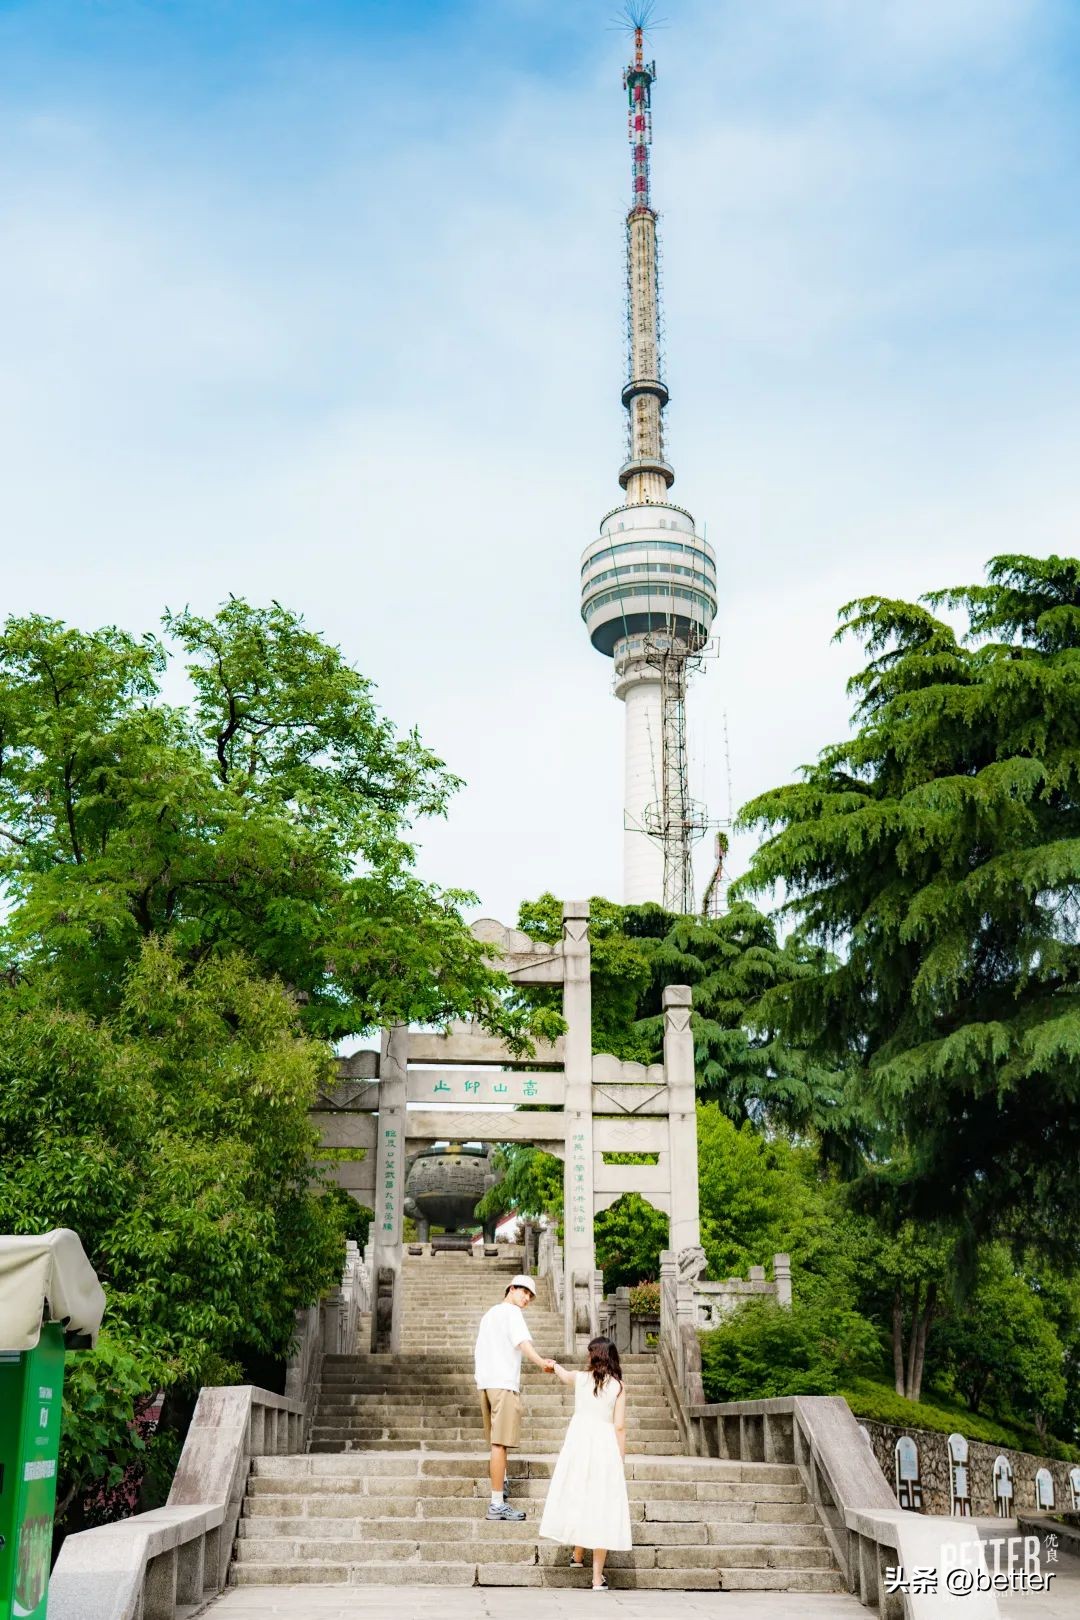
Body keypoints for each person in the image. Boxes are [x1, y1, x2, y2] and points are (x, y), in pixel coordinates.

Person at [539, 1335, 631, 1589]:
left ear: (595, 1355)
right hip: (604, 1446)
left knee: (581, 1494)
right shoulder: (618, 1386)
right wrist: (619, 1459)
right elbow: (620, 1426)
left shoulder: (580, 1379)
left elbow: (563, 1374)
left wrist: (553, 1364)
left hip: (579, 1445)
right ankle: (595, 1577)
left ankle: (578, 1555)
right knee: (601, 1504)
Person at [473, 1273, 554, 1521]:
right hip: (503, 1385)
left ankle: (503, 1481)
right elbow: (523, 1343)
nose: (526, 1298)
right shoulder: (512, 1313)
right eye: (524, 1292)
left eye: (530, 1296)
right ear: (511, 1288)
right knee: (500, 1443)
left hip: (486, 1384)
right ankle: (497, 1503)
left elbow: (479, 1350)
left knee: (495, 1443)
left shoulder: (489, 1315)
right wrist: (542, 1362)